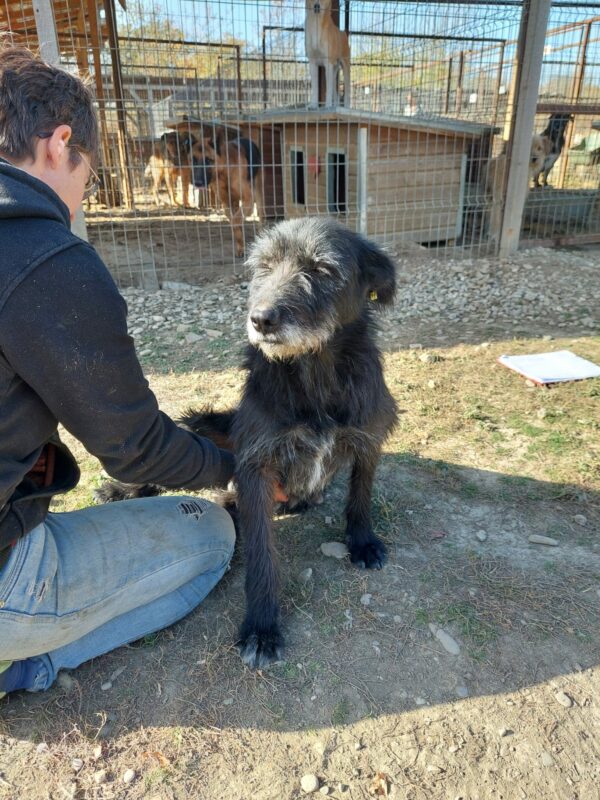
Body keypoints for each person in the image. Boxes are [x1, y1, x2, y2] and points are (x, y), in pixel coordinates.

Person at [0, 43, 238, 698]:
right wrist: (234, 468)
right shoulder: (45, 258)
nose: (82, 198)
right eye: (91, 178)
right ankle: (29, 664)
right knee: (213, 537)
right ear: (60, 145)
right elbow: (133, 452)